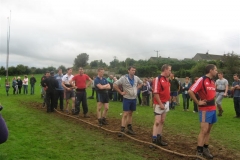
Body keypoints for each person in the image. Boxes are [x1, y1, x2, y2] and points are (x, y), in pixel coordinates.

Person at [188, 64, 218, 159]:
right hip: (205, 109)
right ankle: (199, 151)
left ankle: (205, 148)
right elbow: (190, 91)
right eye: (215, 70)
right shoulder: (202, 79)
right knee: (204, 130)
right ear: (210, 70)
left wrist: (215, 104)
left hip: (212, 108)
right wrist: (198, 102)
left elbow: (212, 94)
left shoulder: (213, 81)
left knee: (208, 130)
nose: (217, 72)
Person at [113, 66, 143, 137]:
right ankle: (122, 129)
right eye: (132, 70)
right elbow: (115, 85)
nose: (134, 71)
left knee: (131, 113)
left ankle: (129, 128)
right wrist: (121, 92)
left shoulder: (136, 78)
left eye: (134, 70)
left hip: (133, 98)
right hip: (127, 98)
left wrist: (137, 88)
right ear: (128, 71)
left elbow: (141, 83)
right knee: (125, 113)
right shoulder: (123, 78)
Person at [151, 64, 171, 147]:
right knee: (157, 122)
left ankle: (159, 139)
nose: (170, 72)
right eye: (169, 70)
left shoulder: (167, 80)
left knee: (162, 121)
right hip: (159, 104)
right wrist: (160, 103)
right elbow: (155, 92)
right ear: (165, 70)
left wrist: (168, 100)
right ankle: (154, 140)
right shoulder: (157, 79)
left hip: (166, 103)